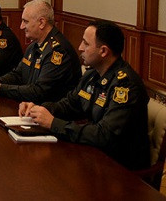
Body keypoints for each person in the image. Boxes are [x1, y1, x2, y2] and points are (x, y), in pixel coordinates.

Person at [19, 21, 150, 170]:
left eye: (86, 44)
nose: (80, 47)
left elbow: (104, 135)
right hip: (94, 155)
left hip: (120, 169)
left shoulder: (125, 85)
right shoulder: (92, 74)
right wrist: (38, 109)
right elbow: (69, 104)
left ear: (103, 51)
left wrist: (53, 123)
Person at [0, 0, 81, 102]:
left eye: (25, 21)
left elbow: (39, 92)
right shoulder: (34, 45)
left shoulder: (58, 51)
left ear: (42, 23)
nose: (21, 26)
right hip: (30, 106)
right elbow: (18, 75)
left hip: (49, 111)